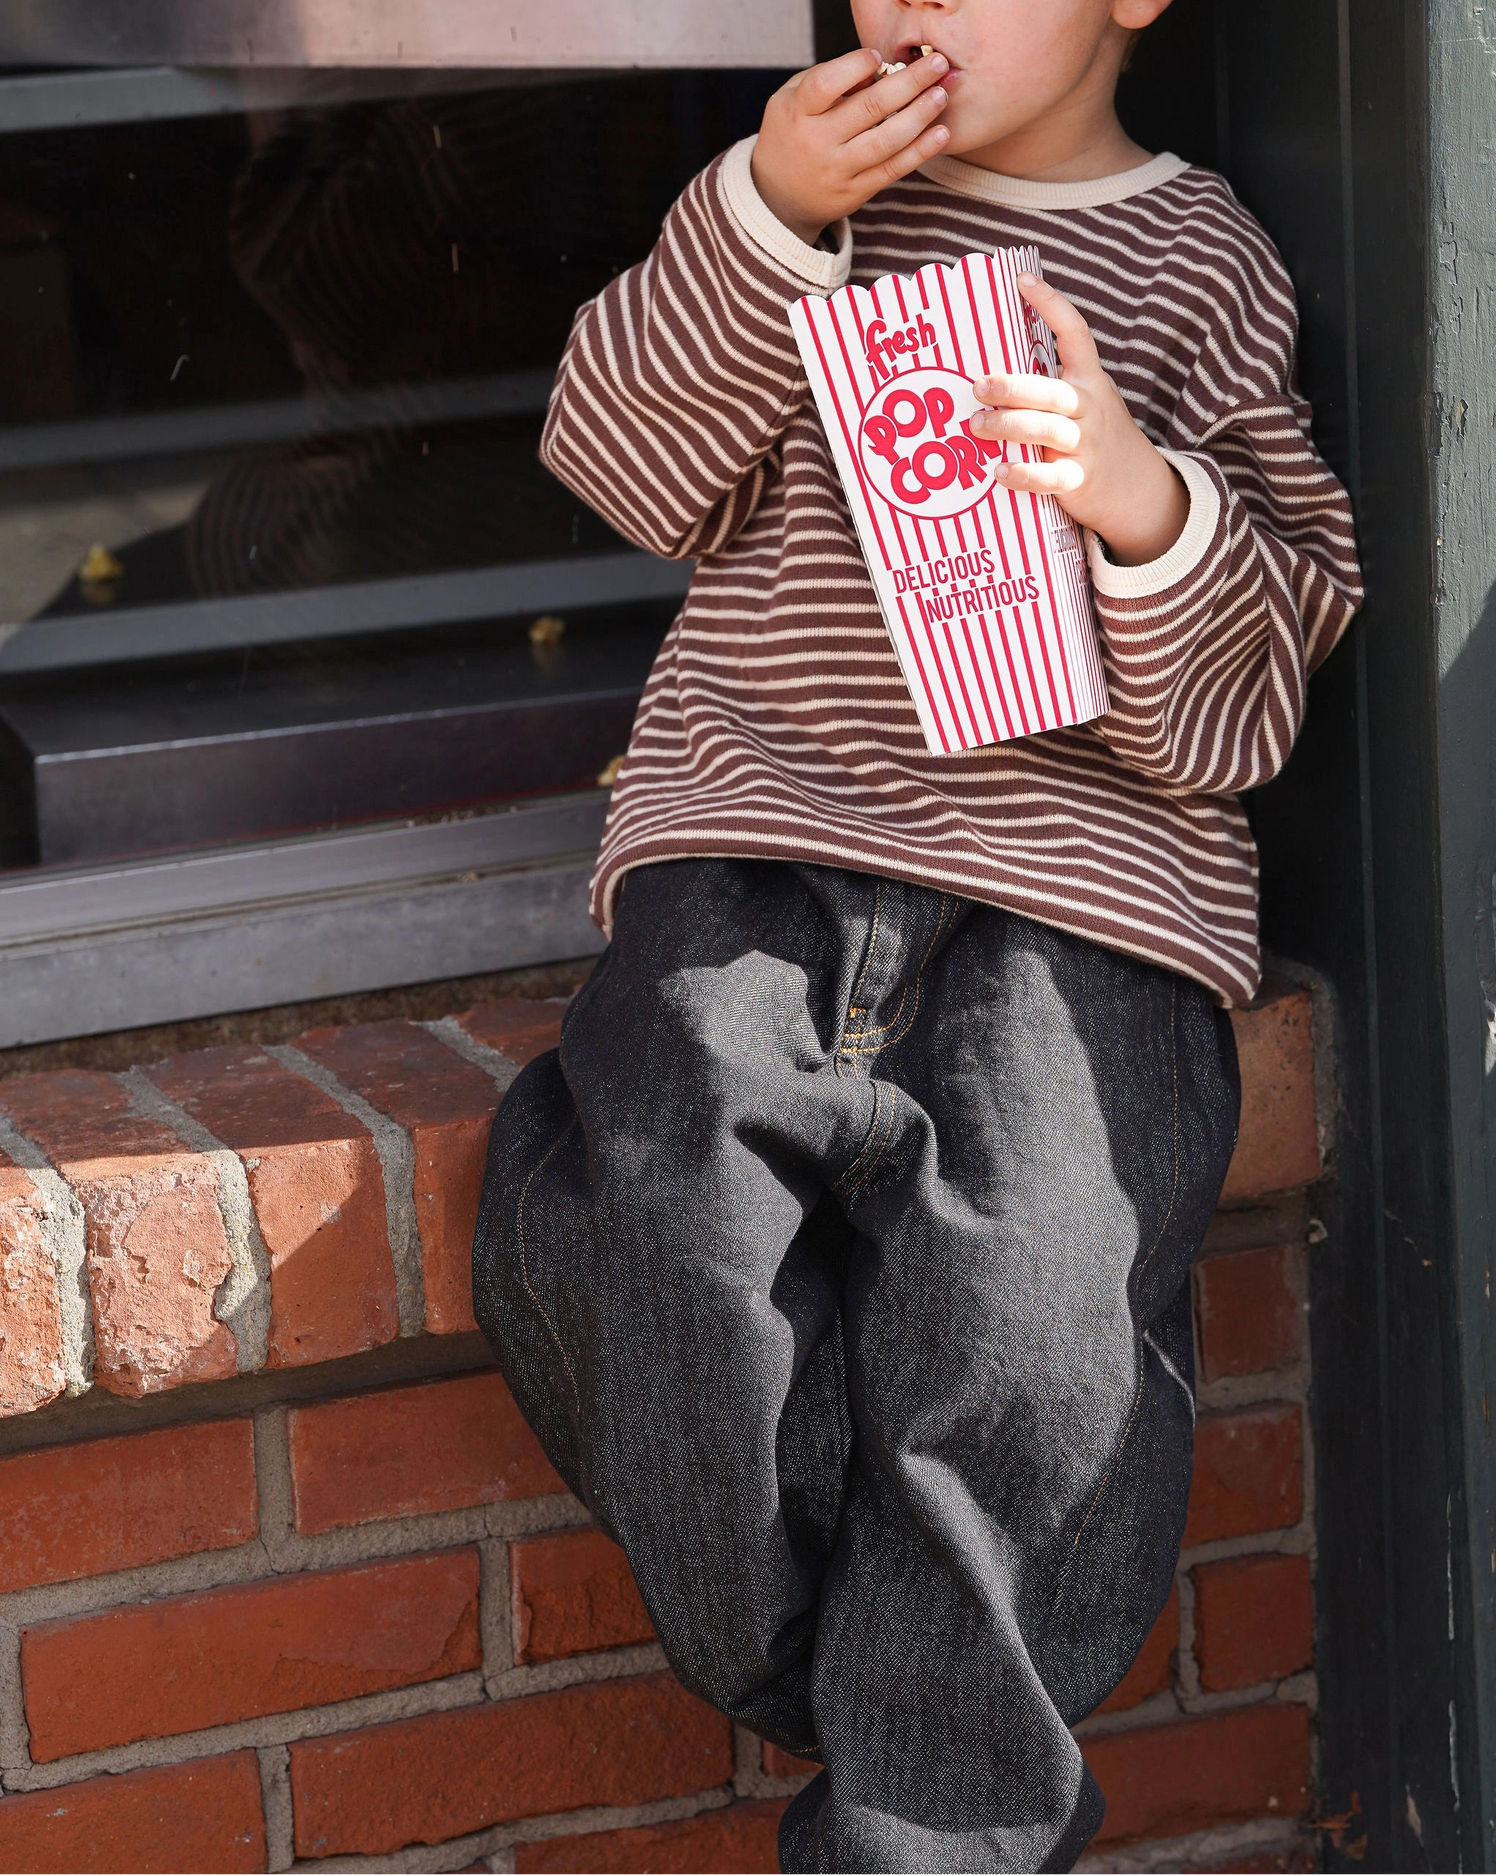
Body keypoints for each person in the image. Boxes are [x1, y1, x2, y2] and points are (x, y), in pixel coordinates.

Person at [472, 3, 1362, 1869]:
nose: (914, 5)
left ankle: (928, 1815)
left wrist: (1137, 497)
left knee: (1038, 1327)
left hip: (1077, 905)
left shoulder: (1201, 263)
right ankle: (902, 1672)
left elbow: (1248, 706)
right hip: (758, 844)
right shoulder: (809, 204)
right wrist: (762, 214)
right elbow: (623, 469)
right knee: (662, 1244)